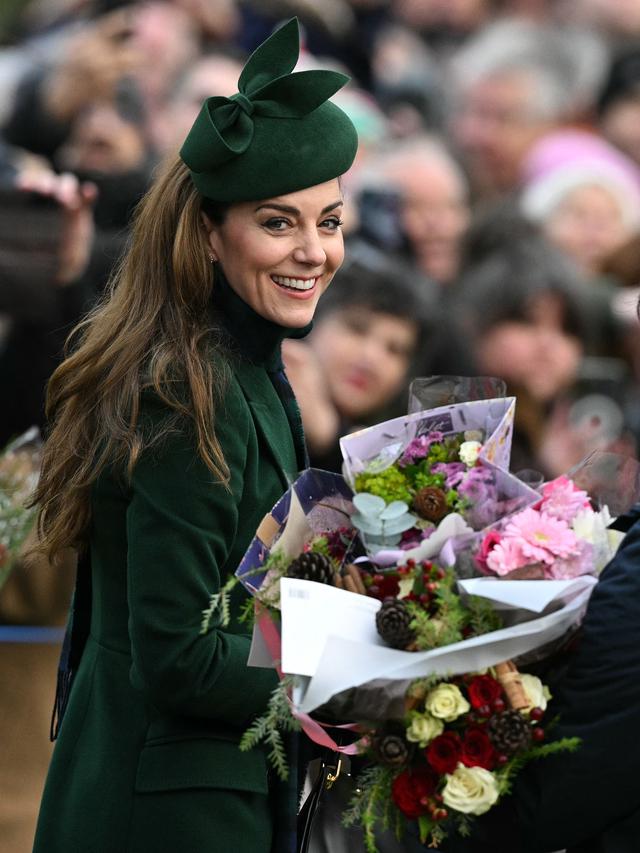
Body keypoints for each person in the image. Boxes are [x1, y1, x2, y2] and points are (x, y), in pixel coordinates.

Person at [29, 17, 358, 853]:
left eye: (330, 221)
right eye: (279, 223)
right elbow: (179, 657)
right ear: (208, 234)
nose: (315, 252)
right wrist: (354, 674)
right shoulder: (188, 392)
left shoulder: (237, 366)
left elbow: (242, 605)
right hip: (164, 812)